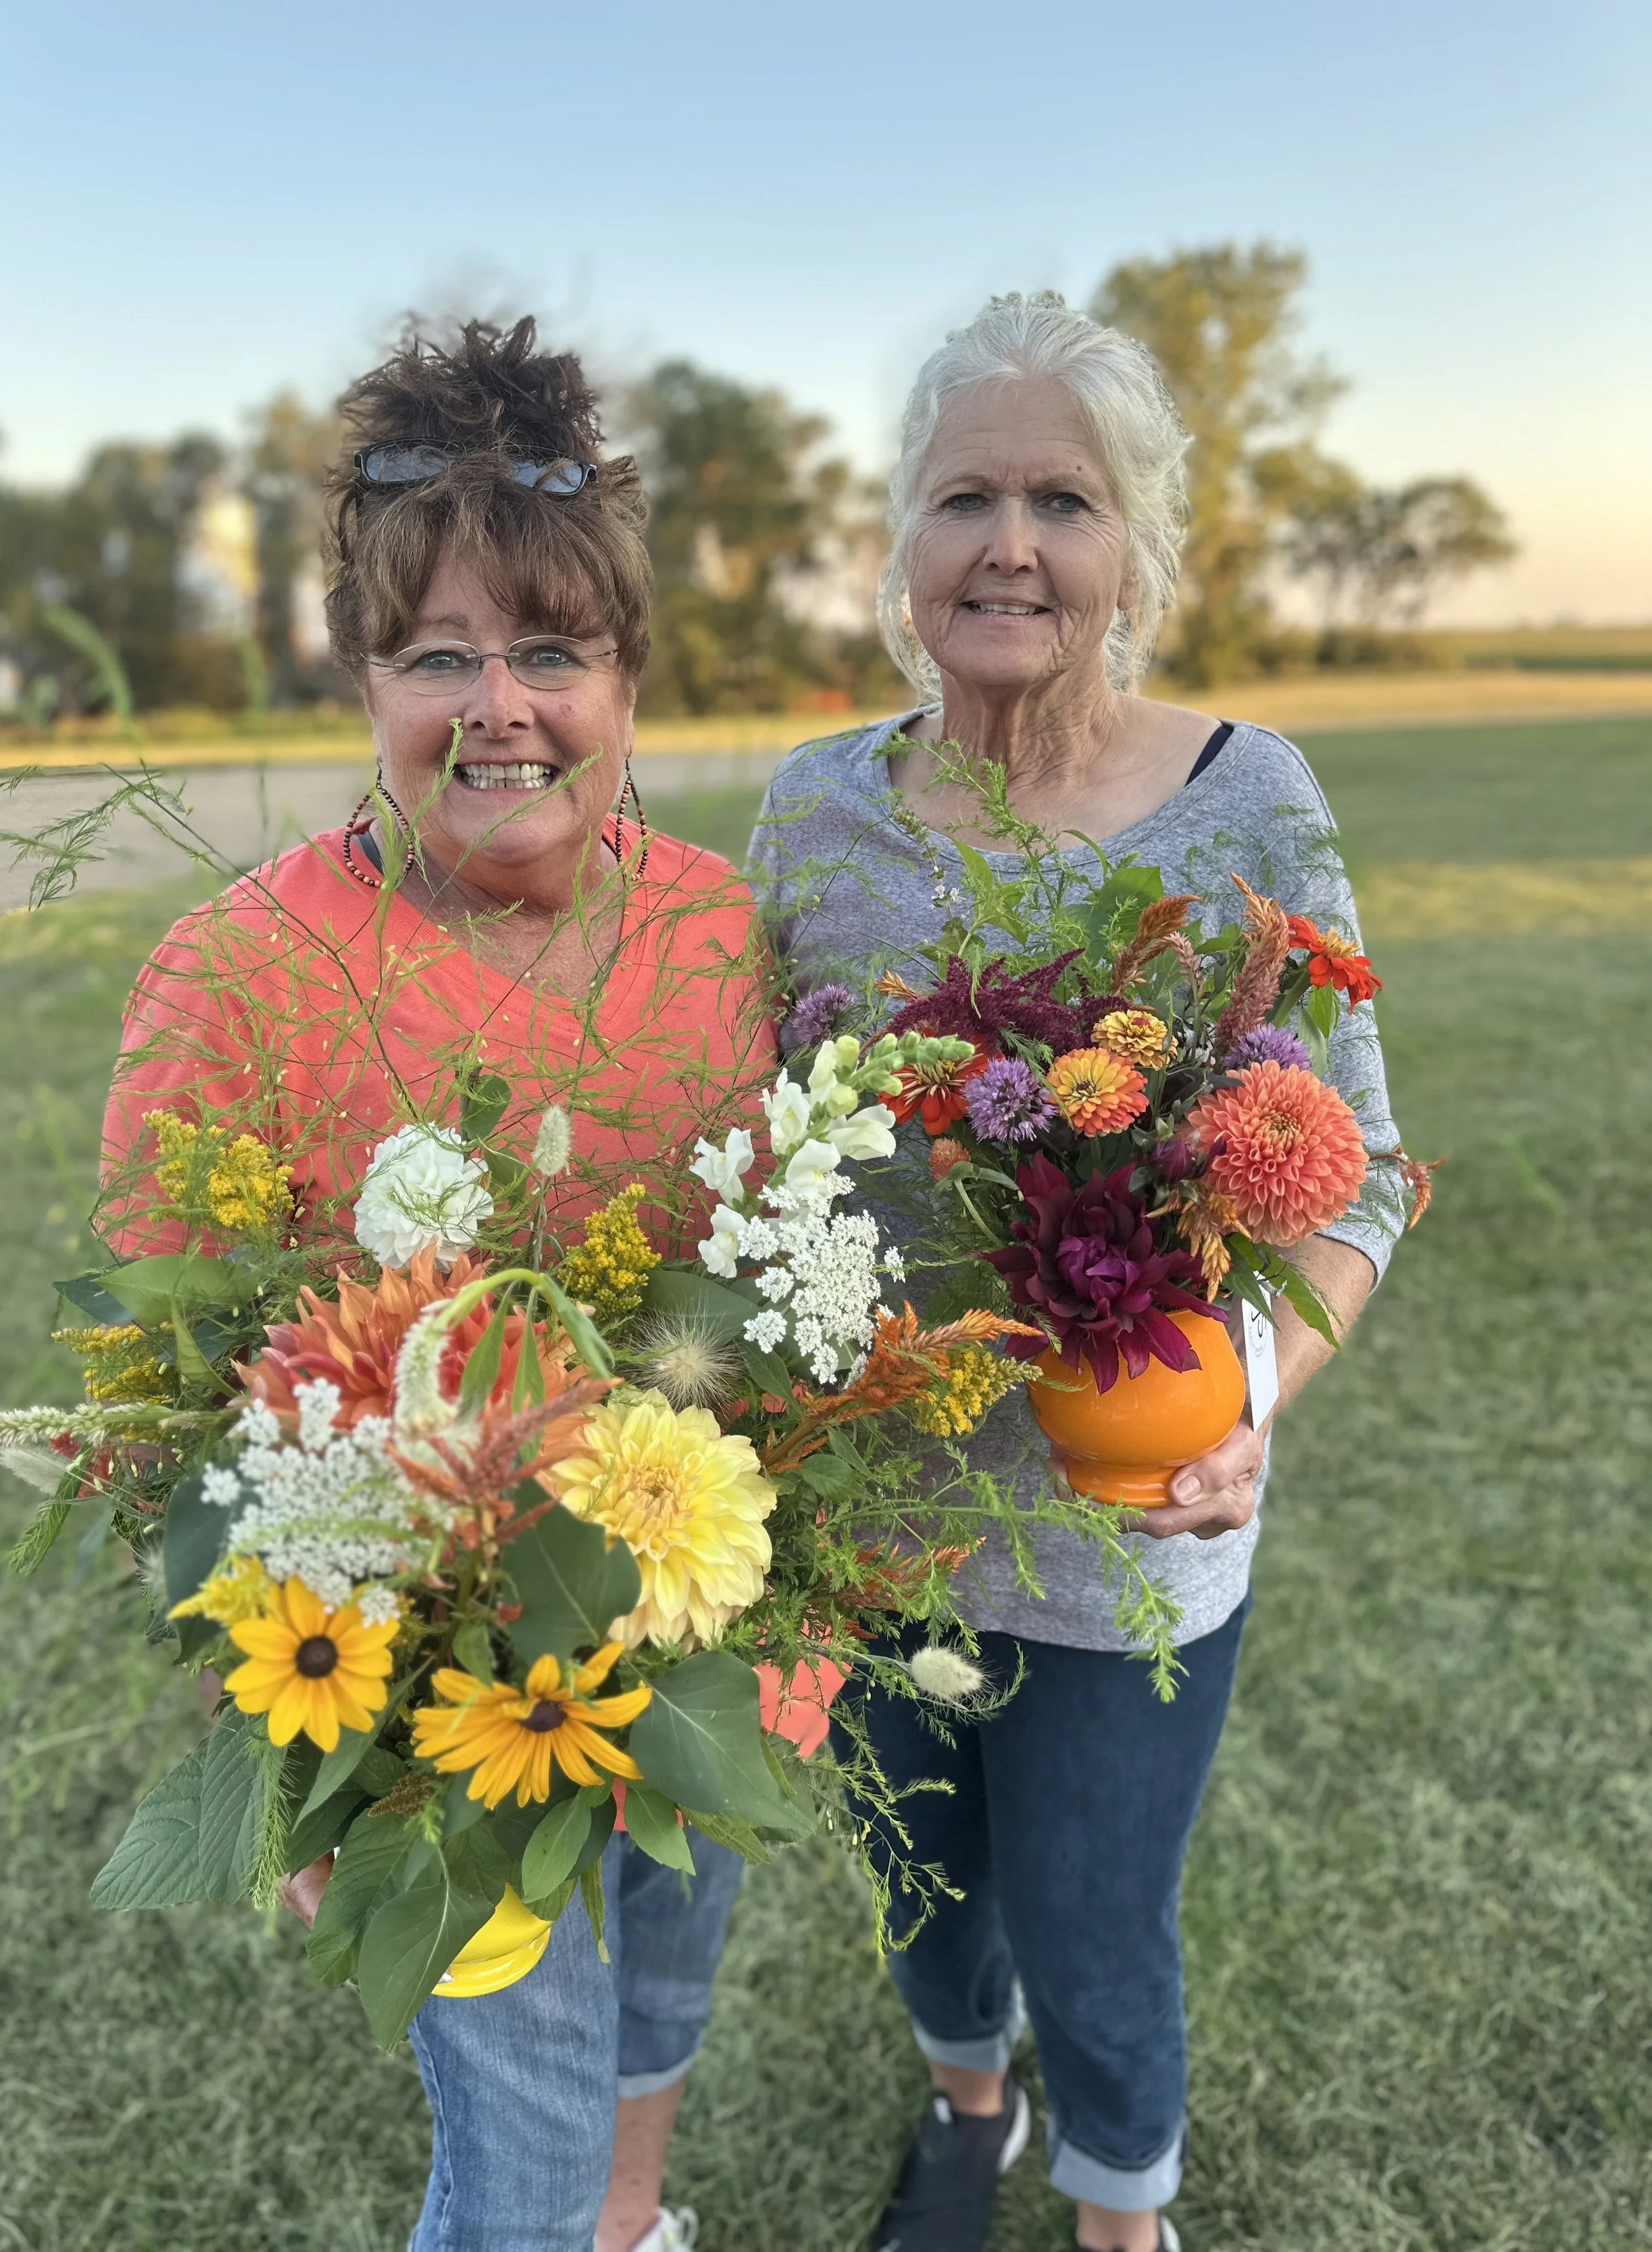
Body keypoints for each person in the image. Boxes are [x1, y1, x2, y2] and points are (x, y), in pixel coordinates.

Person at [103, 318, 775, 2252]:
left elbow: (770, 1320)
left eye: (552, 649)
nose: (502, 706)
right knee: (524, 2162)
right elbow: (176, 1415)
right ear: (362, 677)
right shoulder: (232, 974)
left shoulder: (724, 928)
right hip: (434, 1711)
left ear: (628, 675)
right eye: (438, 656)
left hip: (704, 1635)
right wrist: (303, 1723)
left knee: (654, 2012)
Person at [750, 292, 1404, 2252]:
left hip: (1134, 1513)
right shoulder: (810, 813)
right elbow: (738, 1148)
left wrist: (1251, 1402)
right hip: (867, 1518)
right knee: (921, 1893)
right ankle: (966, 2110)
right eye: (965, 496)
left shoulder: (1248, 797)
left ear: (1136, 548)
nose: (1010, 543)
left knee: (1097, 1917)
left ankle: (1122, 2213)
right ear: (901, 545)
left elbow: (1352, 1172)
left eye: (1063, 498)